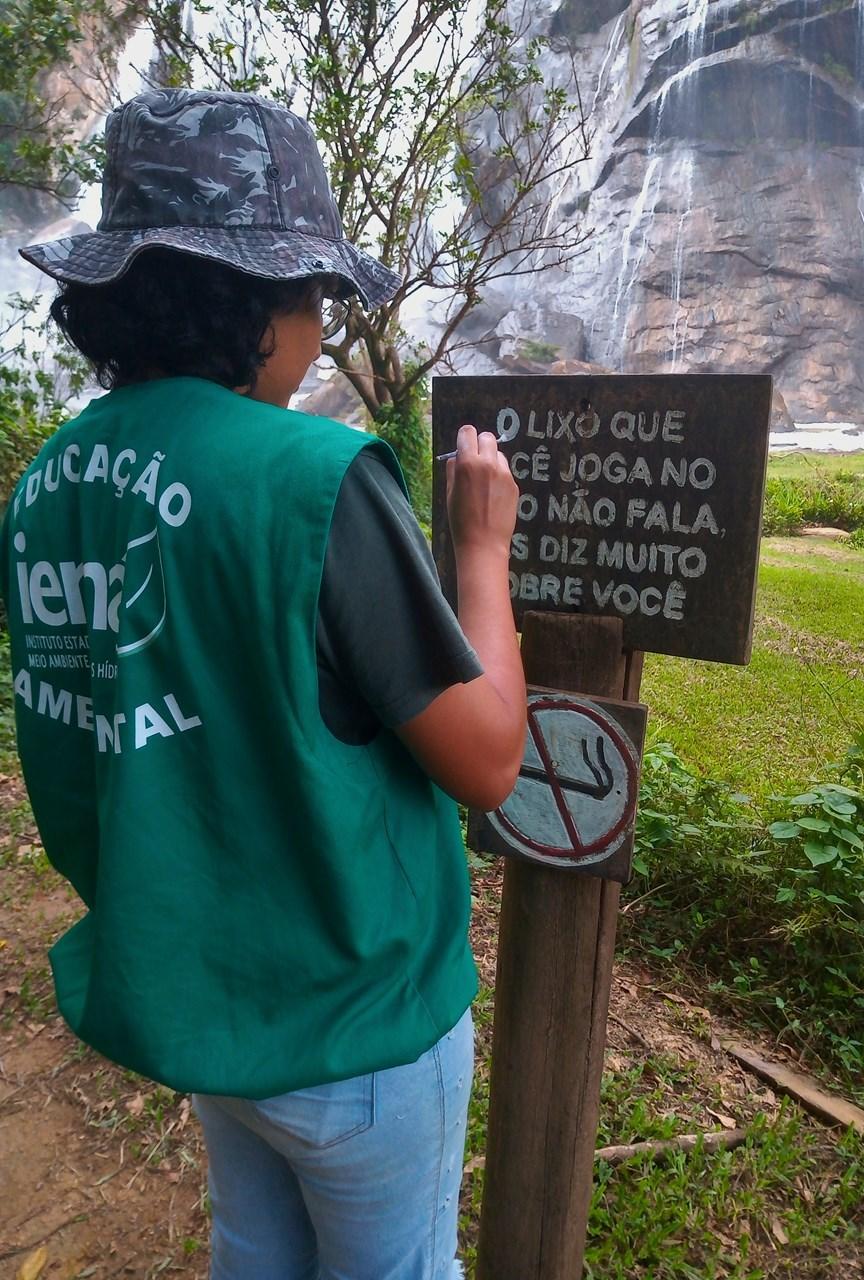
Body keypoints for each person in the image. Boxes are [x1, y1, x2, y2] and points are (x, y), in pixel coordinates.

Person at [1, 88, 527, 1279]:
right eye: (312, 294)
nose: (320, 327)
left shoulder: (48, 482)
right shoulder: (311, 476)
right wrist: (482, 555)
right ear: (254, 304)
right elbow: (490, 757)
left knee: (253, 1252)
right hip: (357, 1025)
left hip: (204, 1006)